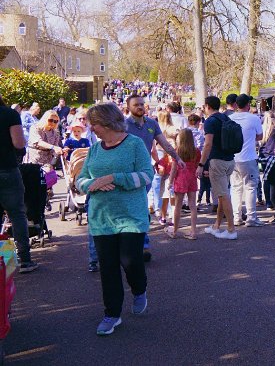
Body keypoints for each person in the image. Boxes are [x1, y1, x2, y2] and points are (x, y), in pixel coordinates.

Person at [76, 103, 154, 336]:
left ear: (107, 123)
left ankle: (139, 290)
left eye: (95, 125)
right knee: (108, 268)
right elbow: (81, 180)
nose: (92, 129)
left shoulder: (134, 144)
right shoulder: (95, 149)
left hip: (131, 216)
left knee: (130, 262)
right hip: (102, 218)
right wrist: (93, 184)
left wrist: (115, 177)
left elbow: (146, 176)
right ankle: (112, 314)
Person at [124, 94, 185, 261]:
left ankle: (143, 245)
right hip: (126, 173)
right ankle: (129, 244)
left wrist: (177, 158)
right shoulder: (123, 125)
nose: (140, 107)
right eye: (136, 104)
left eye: (142, 104)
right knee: (130, 209)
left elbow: (164, 143)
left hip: (145, 172)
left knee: (142, 207)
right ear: (128, 107)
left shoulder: (152, 123)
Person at [0, 95, 39, 273]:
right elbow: (18, 143)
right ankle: (24, 260)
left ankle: (3, 262)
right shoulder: (10, 114)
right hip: (7, 169)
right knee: (17, 215)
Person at [197, 96, 238, 240]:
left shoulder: (210, 121)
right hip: (230, 160)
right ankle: (217, 226)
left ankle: (231, 229)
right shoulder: (225, 118)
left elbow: (207, 144)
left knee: (223, 195)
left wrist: (201, 165)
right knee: (222, 193)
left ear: (207, 106)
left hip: (217, 161)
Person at [229, 94, 264, 227]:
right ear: (248, 105)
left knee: (235, 188)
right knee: (250, 187)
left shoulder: (230, 118)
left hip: (233, 158)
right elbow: (260, 136)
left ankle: (237, 217)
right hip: (248, 157)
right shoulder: (253, 118)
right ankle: (251, 217)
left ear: (236, 105)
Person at [168, 129, 200, 240]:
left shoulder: (177, 151)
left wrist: (170, 181)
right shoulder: (196, 151)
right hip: (192, 178)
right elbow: (196, 165)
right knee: (192, 206)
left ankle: (175, 231)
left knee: (178, 205)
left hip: (180, 178)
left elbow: (173, 168)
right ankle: (193, 231)